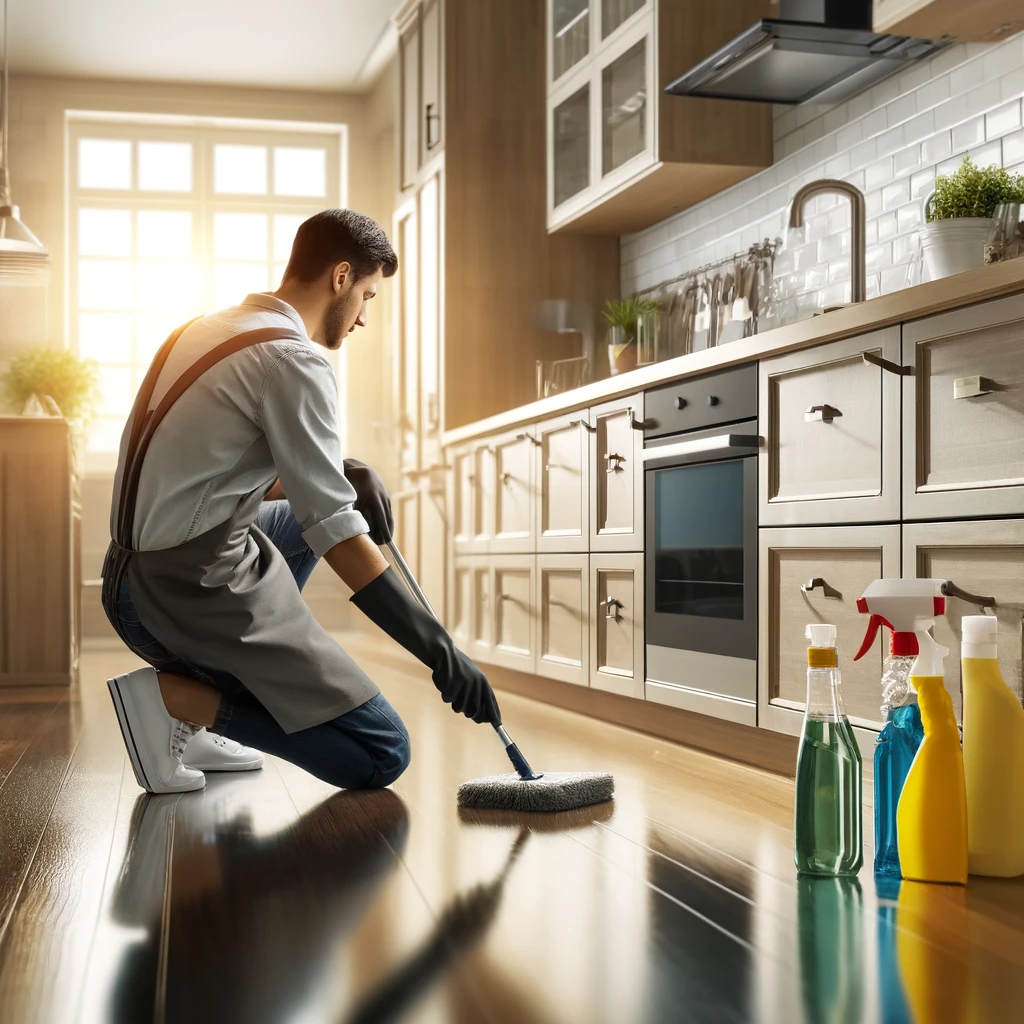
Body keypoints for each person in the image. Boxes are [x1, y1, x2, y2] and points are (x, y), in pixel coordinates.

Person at [102, 209, 501, 794]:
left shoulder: (203, 328)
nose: (364, 316)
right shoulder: (295, 359)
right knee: (381, 752)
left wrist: (341, 473)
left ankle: (211, 691)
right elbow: (336, 535)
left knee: (296, 516)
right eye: (367, 294)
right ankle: (177, 699)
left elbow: (213, 476)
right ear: (341, 277)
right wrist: (440, 651)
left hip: (129, 577)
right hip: (180, 595)